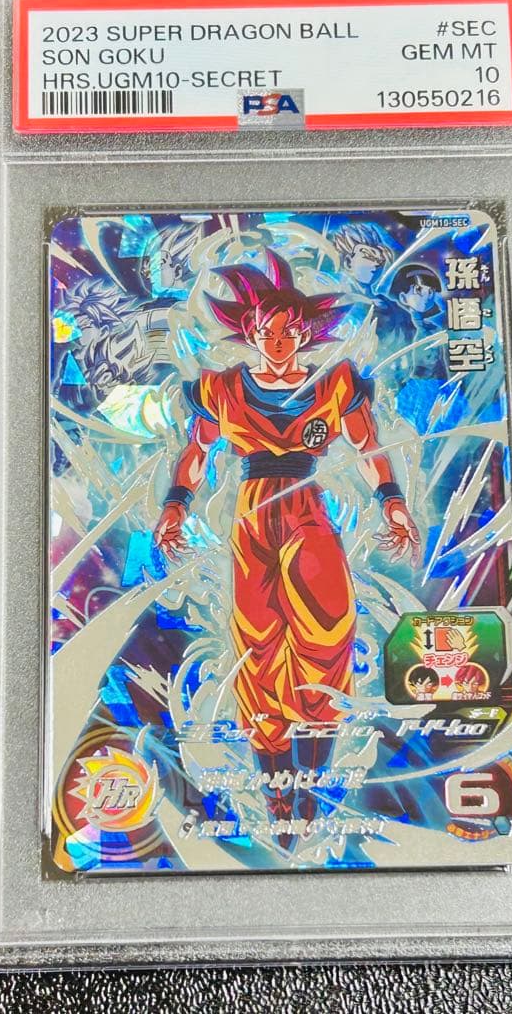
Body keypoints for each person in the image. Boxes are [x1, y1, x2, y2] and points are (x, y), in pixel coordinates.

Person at [154, 250, 420, 832]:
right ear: (251, 333)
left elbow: (368, 448)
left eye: (288, 331)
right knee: (259, 644)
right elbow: (197, 453)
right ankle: (277, 783)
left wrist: (393, 501)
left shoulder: (336, 384)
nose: (277, 342)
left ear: (304, 332)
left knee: (326, 633)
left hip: (307, 510)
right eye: (267, 332)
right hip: (252, 517)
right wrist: (174, 505)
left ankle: (313, 775)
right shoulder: (223, 388)